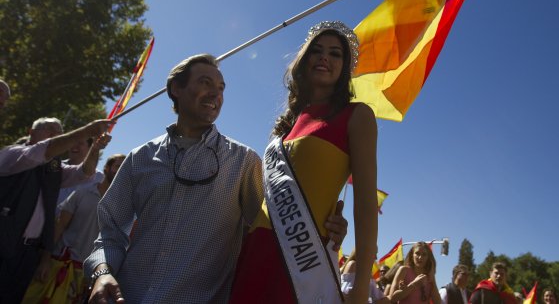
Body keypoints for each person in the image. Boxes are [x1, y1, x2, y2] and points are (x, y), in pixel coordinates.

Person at [84, 53, 348, 304]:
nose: (216, 94)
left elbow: (271, 234)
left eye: (221, 88)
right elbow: (110, 234)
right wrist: (102, 273)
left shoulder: (244, 161)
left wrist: (324, 230)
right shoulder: (139, 158)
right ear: (177, 88)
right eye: (205, 82)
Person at [229, 21, 378, 304]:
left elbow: (366, 205)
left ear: (345, 67)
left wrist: (361, 286)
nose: (325, 57)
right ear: (304, 59)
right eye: (317, 50)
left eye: (336, 54)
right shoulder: (285, 126)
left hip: (301, 265)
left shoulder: (357, 116)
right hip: (255, 251)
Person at [0, 117, 112, 303]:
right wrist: (86, 131)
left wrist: (95, 148)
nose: (55, 135)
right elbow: (40, 152)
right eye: (49, 129)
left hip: (29, 253)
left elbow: (84, 173)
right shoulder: (13, 154)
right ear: (31, 132)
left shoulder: (53, 169)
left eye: (59, 132)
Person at [56, 137, 106, 210]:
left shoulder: (100, 178)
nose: (74, 145)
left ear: (90, 148)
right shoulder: (55, 168)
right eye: (72, 142)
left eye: (80, 143)